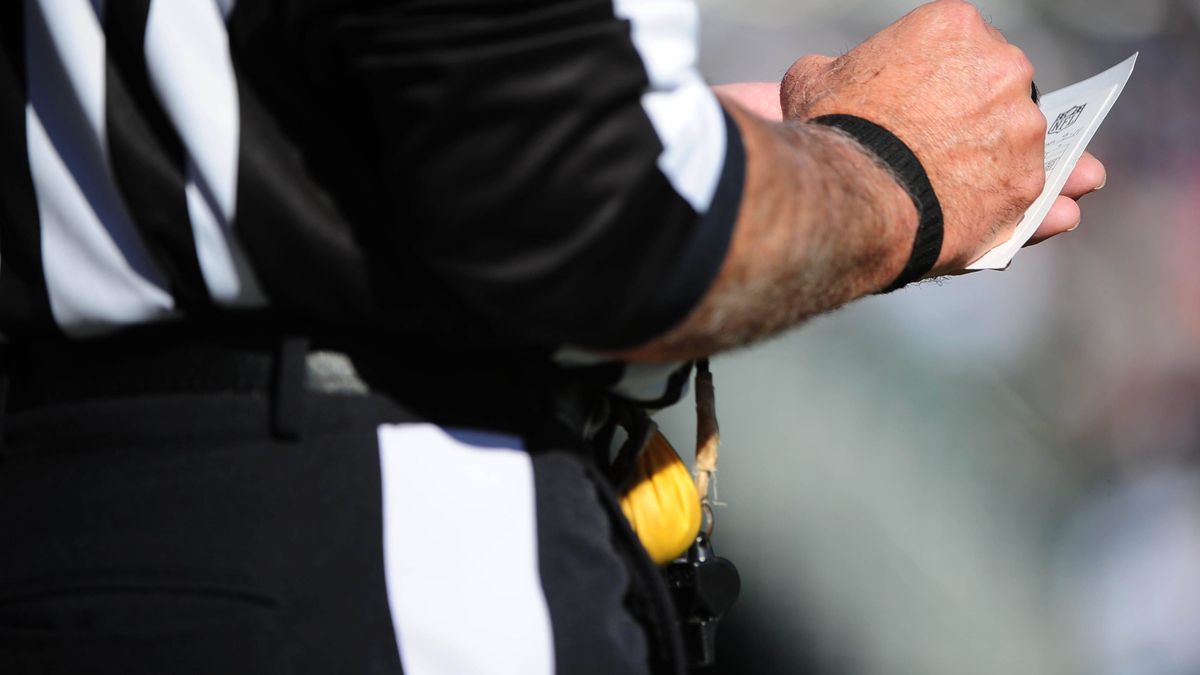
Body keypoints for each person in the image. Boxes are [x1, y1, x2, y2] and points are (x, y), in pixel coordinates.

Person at [0, 0, 1105, 673]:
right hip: (360, 545)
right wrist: (887, 166)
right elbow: (583, 221)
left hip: (73, 499)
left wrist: (702, 149)